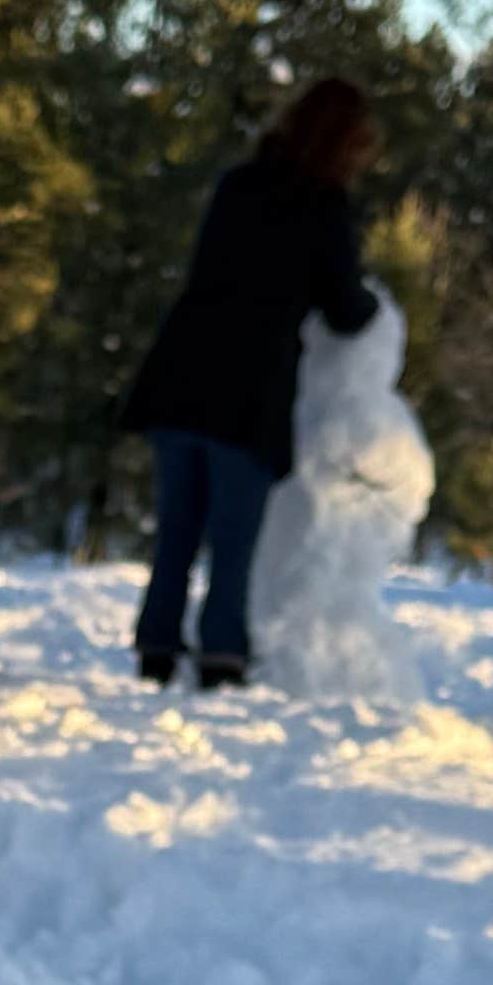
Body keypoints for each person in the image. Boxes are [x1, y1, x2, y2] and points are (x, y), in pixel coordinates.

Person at [119, 79, 383, 688]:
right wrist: (375, 305)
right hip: (248, 389)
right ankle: (221, 655)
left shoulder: (237, 183)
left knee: (177, 529)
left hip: (180, 371)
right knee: (233, 540)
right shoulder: (323, 204)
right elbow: (344, 307)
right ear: (350, 144)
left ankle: (156, 648)